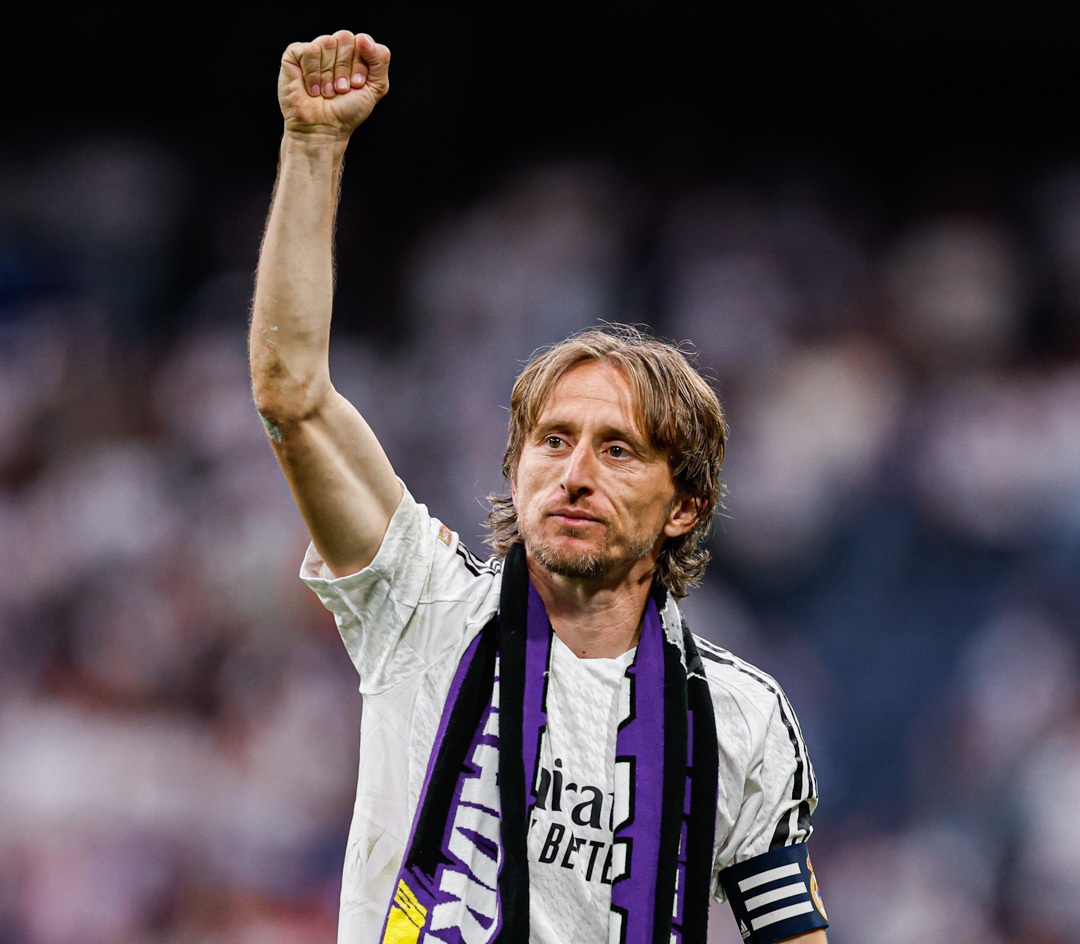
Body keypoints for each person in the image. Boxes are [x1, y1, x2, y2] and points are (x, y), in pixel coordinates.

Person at [248, 28, 830, 944]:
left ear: (685, 506)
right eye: (553, 441)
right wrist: (314, 147)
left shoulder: (741, 720)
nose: (574, 473)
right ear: (515, 469)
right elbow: (293, 394)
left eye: (618, 450)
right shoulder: (423, 608)